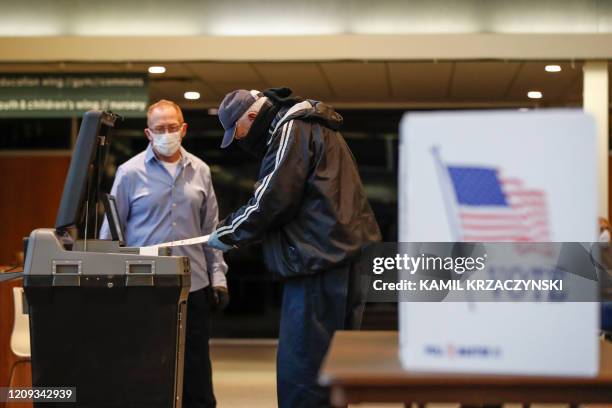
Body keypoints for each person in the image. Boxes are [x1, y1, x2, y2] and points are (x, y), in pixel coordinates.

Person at [207, 88, 382, 407]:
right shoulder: (319, 127)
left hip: (316, 260)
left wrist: (229, 232)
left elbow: (273, 197)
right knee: (334, 366)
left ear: (250, 116)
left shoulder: (291, 128)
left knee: (303, 367)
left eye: (238, 133)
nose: (242, 142)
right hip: (343, 256)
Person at [100, 99, 227, 408]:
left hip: (193, 286)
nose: (166, 133)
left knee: (197, 374)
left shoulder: (201, 171)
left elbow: (213, 232)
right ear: (148, 133)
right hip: (144, 289)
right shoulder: (129, 174)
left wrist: (219, 278)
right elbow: (111, 234)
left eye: (172, 127)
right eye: (160, 129)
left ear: (183, 129)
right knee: (147, 370)